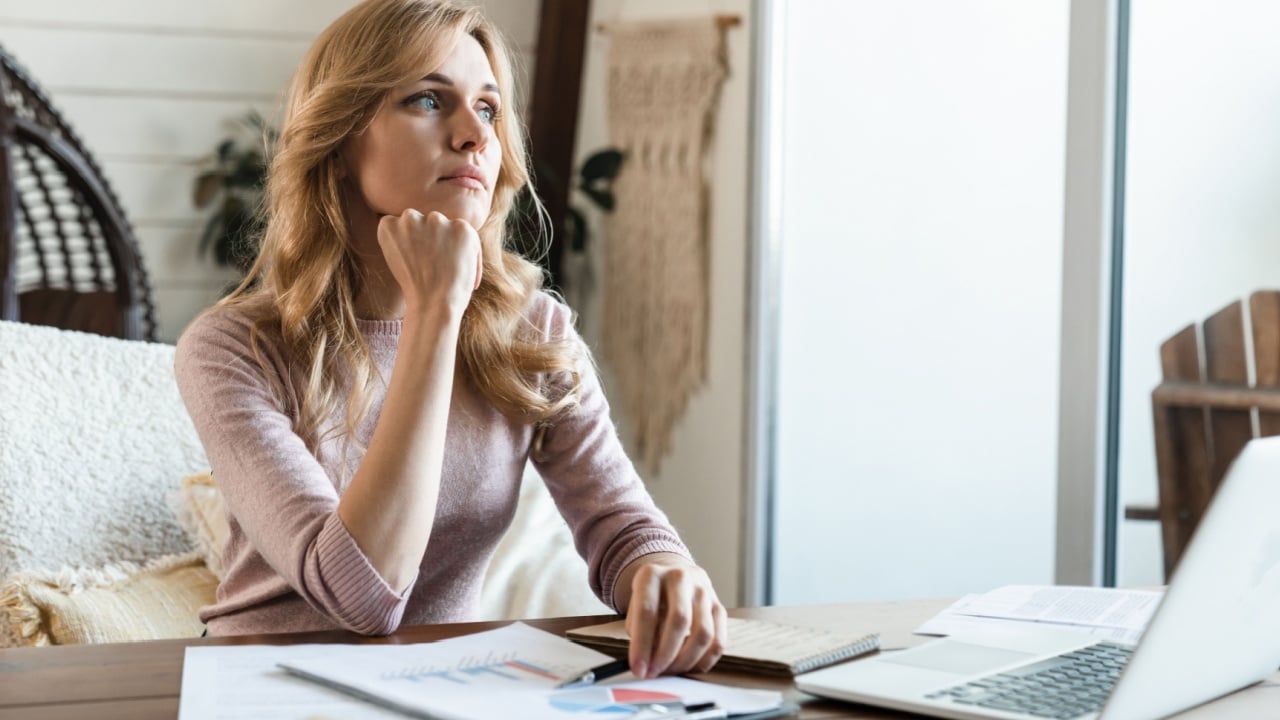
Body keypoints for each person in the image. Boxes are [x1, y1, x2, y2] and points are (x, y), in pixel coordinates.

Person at [174, 0, 726, 679]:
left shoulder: (533, 334)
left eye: (488, 109)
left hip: (448, 689)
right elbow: (362, 596)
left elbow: (622, 525)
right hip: (266, 691)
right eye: (428, 101)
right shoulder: (232, 348)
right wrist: (437, 313)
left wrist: (663, 570)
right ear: (341, 141)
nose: (474, 135)